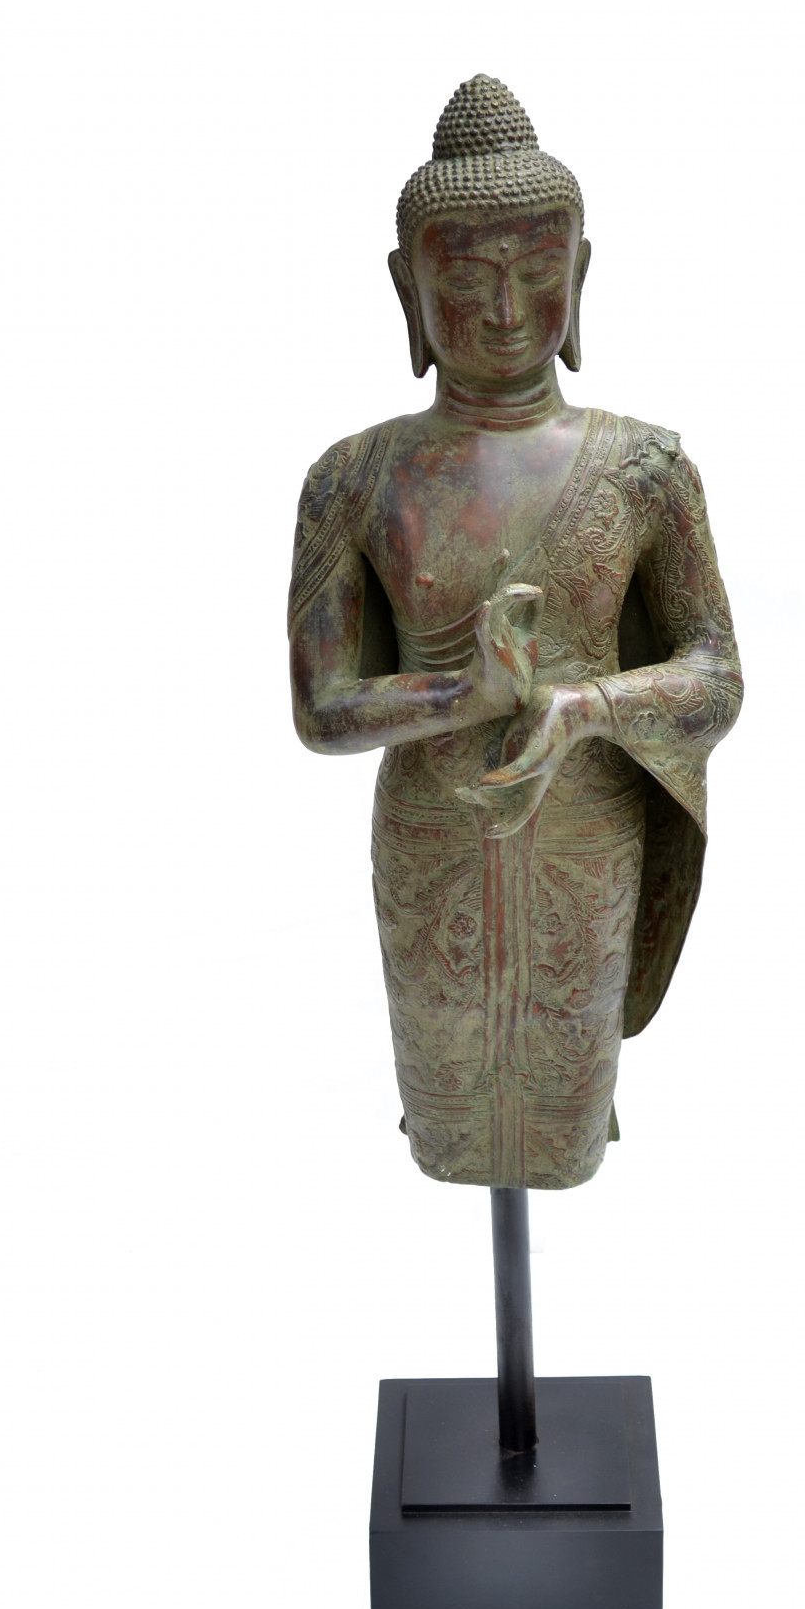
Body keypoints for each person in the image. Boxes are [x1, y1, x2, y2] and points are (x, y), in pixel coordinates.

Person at [288, 75, 741, 1190]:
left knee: (564, 1122)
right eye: (464, 280)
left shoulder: (646, 469)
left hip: (587, 837)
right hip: (433, 843)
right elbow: (321, 709)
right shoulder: (354, 478)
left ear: (579, 276)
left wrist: (581, 707)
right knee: (451, 1122)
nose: (503, 309)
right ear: (408, 289)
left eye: (537, 274)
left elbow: (716, 674)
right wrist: (465, 696)